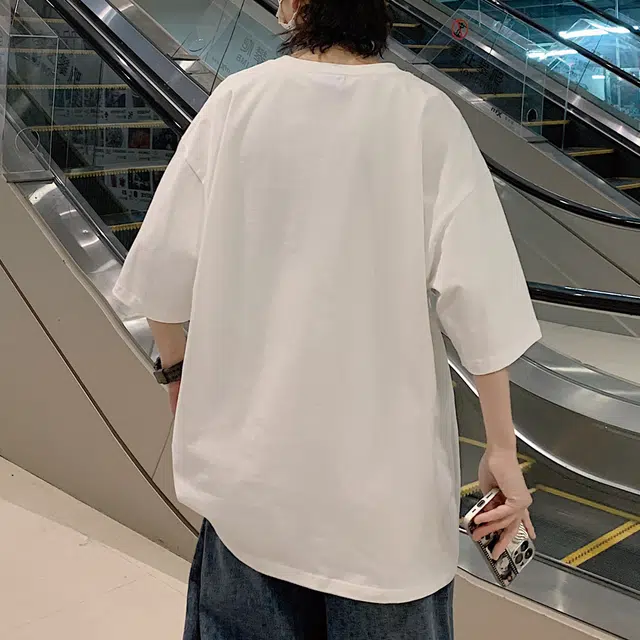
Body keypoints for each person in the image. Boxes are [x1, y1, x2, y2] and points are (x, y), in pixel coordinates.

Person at [113, 0, 541, 637]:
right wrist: (501, 448)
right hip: (384, 518)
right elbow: (482, 299)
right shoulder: (425, 116)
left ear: (294, 6)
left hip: (250, 493)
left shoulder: (238, 103)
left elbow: (163, 275)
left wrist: (177, 375)